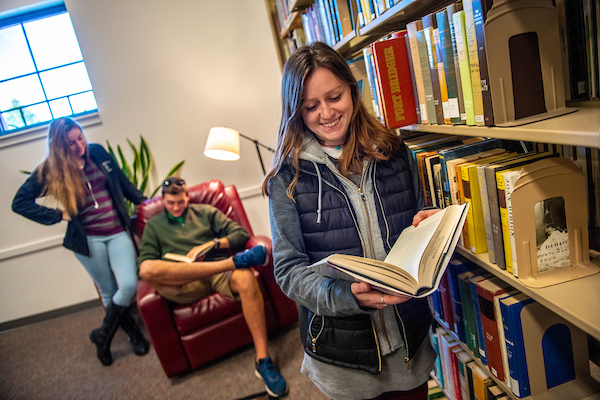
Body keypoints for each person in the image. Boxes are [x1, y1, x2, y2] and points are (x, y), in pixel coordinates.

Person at [262, 42, 441, 400]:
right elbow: (288, 270)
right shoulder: (287, 177)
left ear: (353, 91)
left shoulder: (394, 152)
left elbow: (416, 224)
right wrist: (346, 297)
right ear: (295, 110)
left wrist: (430, 229)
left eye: (335, 97)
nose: (326, 113)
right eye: (310, 106)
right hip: (342, 357)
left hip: (410, 344)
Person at [12, 117, 150, 367]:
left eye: (80, 138)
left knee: (128, 285)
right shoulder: (51, 170)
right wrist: (58, 215)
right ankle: (134, 335)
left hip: (117, 231)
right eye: (71, 143)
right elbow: (19, 202)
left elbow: (124, 183)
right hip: (88, 240)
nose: (79, 145)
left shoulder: (97, 153)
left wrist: (147, 203)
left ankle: (102, 335)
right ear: (59, 147)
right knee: (108, 291)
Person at [137, 177, 288, 397]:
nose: (176, 207)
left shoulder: (205, 212)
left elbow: (241, 234)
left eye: (180, 202)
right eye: (170, 203)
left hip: (217, 271)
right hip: (184, 284)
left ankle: (262, 360)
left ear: (187, 196)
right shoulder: (154, 225)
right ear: (163, 201)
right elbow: (146, 264)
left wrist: (213, 243)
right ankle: (233, 262)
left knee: (246, 278)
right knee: (147, 270)